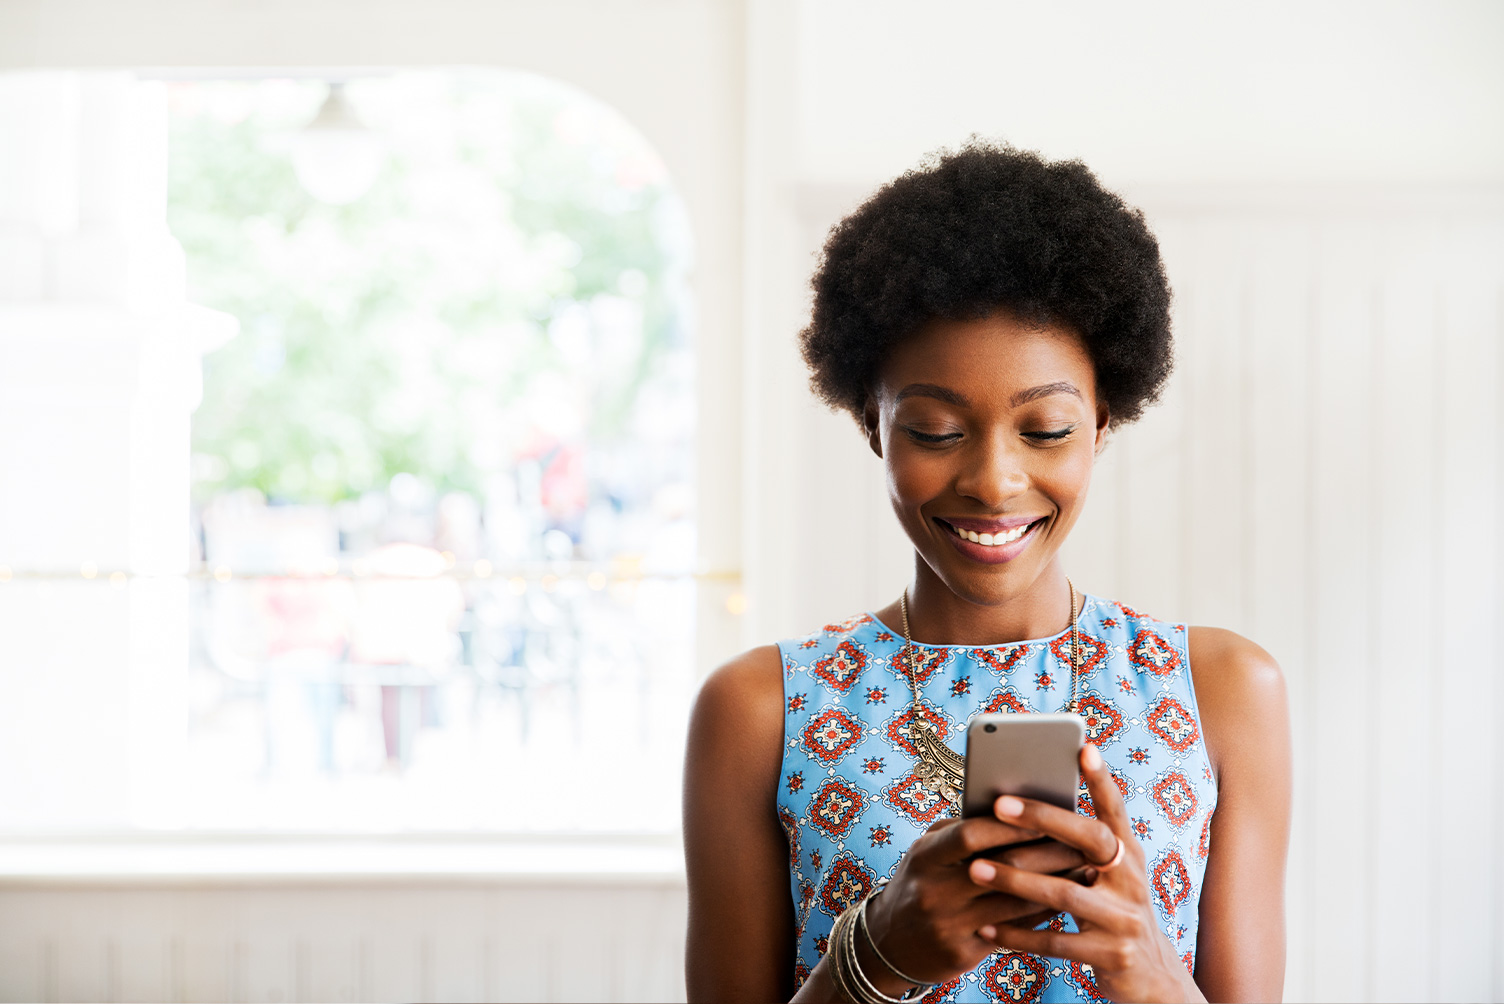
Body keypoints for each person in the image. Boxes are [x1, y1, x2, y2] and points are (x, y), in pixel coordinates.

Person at [683, 142, 1290, 1003]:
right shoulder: (758, 711)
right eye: (934, 430)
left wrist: (1152, 976)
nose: (994, 482)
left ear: (1104, 422)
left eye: (1044, 429)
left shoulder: (1224, 691)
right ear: (872, 425)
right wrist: (877, 957)